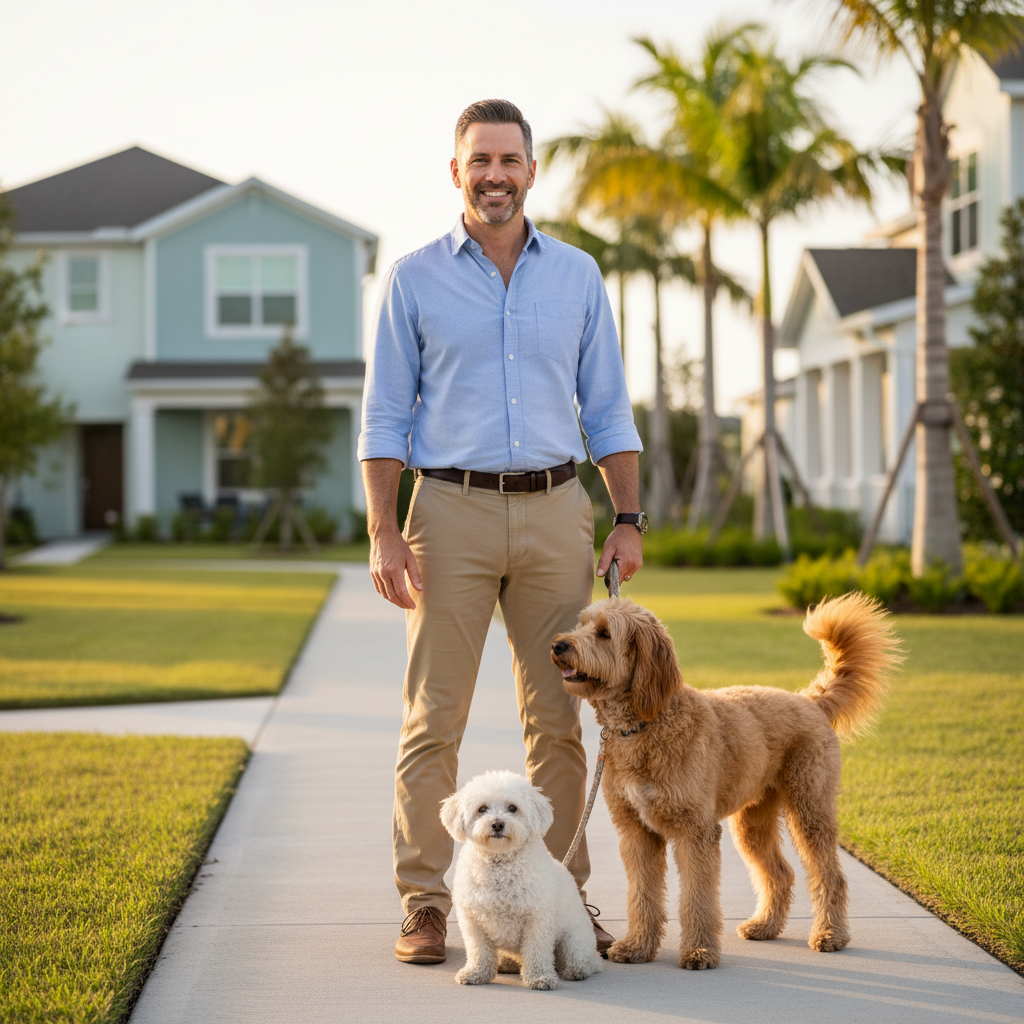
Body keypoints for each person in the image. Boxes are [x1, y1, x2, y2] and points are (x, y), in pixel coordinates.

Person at [359, 98, 647, 966]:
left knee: (560, 719)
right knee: (432, 720)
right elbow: (383, 418)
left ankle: (561, 905)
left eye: (509, 160)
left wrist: (627, 517)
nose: (494, 175)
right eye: (478, 160)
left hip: (560, 509)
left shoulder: (579, 275)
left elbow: (608, 407)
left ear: (531, 169)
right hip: (448, 512)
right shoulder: (412, 278)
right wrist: (384, 530)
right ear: (457, 171)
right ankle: (424, 904)